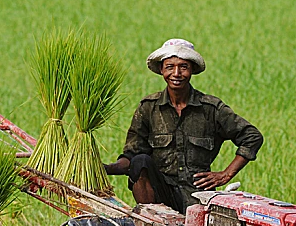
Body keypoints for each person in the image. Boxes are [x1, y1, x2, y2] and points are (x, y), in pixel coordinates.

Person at [105, 39, 264, 213]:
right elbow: (131, 157)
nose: (176, 73)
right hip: (160, 197)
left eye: (183, 67)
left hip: (198, 198)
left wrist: (224, 175)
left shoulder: (211, 109)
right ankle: (151, 221)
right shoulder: (148, 108)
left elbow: (252, 137)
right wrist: (103, 168)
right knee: (140, 161)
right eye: (169, 67)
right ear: (161, 70)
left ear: (192, 70)